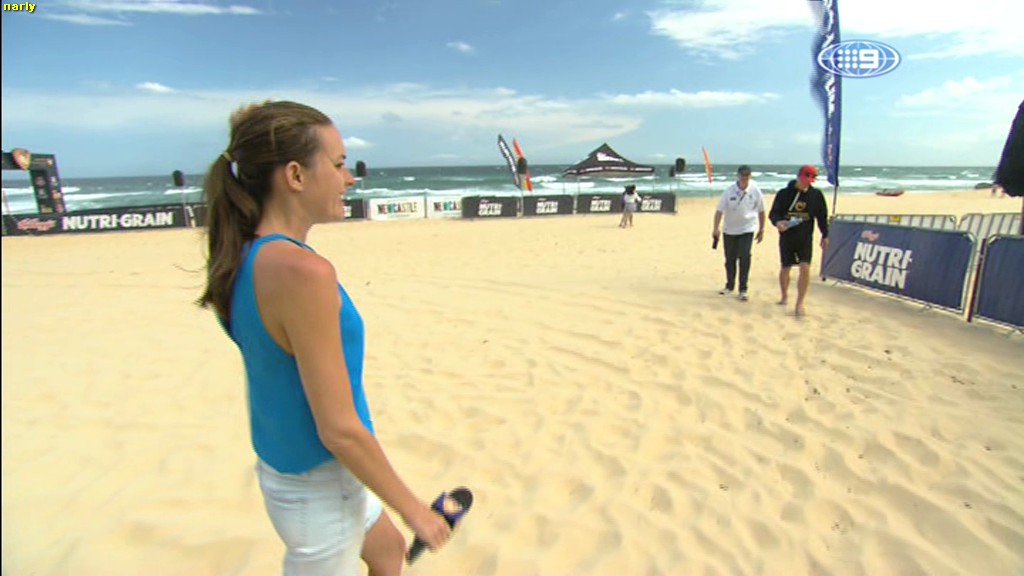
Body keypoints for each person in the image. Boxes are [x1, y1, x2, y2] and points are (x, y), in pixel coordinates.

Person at [196, 100, 451, 576]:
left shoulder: (246, 255)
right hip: (320, 489)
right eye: (338, 165)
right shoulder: (302, 272)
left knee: (387, 550)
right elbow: (338, 428)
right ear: (295, 175)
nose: (349, 179)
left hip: (289, 469)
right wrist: (415, 510)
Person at [768, 165, 830, 317]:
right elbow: (773, 213)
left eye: (810, 180)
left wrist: (825, 235)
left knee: (805, 267)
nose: (806, 183)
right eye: (804, 179)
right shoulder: (784, 193)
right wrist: (778, 223)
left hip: (805, 237)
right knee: (786, 267)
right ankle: (784, 296)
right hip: (787, 236)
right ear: (799, 177)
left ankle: (800, 303)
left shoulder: (816, 195)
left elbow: (822, 217)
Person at [712, 165, 765, 301]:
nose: (744, 178)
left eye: (747, 175)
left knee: (745, 256)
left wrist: (761, 229)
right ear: (738, 176)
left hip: (747, 228)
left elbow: (761, 210)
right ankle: (729, 285)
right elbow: (719, 211)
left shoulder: (755, 190)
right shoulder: (729, 191)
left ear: (750, 176)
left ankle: (743, 289)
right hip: (729, 229)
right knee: (730, 259)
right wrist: (715, 228)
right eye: (742, 175)